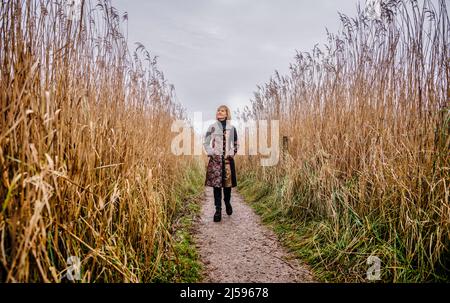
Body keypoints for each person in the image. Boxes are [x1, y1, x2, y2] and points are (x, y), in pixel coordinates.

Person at [203, 105, 239, 222]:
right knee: (217, 187)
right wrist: (211, 153)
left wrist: (232, 153)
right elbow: (206, 143)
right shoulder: (211, 127)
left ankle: (227, 202)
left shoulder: (232, 128)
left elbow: (236, 144)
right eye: (218, 110)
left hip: (227, 161)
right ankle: (218, 210)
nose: (219, 112)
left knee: (227, 186)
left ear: (227, 114)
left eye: (222, 110)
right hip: (216, 161)